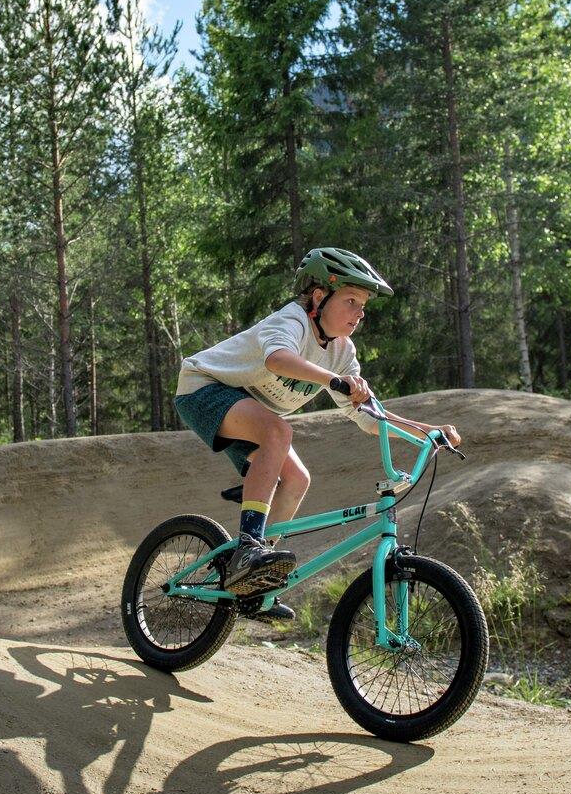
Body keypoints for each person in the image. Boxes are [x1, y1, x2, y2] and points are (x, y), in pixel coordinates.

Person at [173, 248, 463, 619]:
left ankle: (251, 577)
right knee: (278, 431)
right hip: (203, 387)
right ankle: (249, 545)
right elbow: (277, 359)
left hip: (249, 408)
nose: (360, 314)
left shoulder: (343, 351)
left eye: (364, 306)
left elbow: (372, 418)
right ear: (318, 297)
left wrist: (428, 431)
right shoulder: (292, 320)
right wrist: (334, 381)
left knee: (297, 479)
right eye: (351, 301)